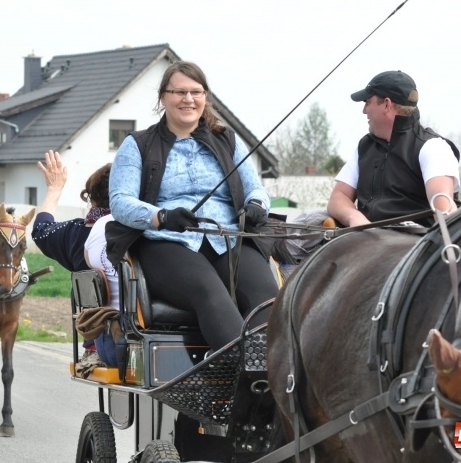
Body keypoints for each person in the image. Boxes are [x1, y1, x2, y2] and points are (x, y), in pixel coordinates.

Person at [107, 61, 278, 354]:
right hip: (167, 243)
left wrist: (257, 204)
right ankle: (245, 374)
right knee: (210, 293)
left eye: (196, 92)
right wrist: (159, 216)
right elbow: (120, 201)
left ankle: (273, 372)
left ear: (205, 96)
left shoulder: (228, 141)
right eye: (179, 92)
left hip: (229, 239)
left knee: (268, 298)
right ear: (163, 97)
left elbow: (255, 188)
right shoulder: (138, 145)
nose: (188, 99)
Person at [327, 70, 461, 228]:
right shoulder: (365, 146)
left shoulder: (433, 148)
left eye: (367, 102)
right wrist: (356, 219)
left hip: (413, 247)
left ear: (386, 104)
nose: (364, 110)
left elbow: (442, 208)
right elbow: (338, 196)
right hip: (363, 241)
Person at [31, 151, 112, 273]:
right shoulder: (141, 232)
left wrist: (54, 189)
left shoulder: (75, 233)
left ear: (93, 198)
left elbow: (40, 231)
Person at [83, 212, 120, 366]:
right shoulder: (148, 221)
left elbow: (89, 262)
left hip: (103, 337)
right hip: (127, 335)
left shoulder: (100, 223)